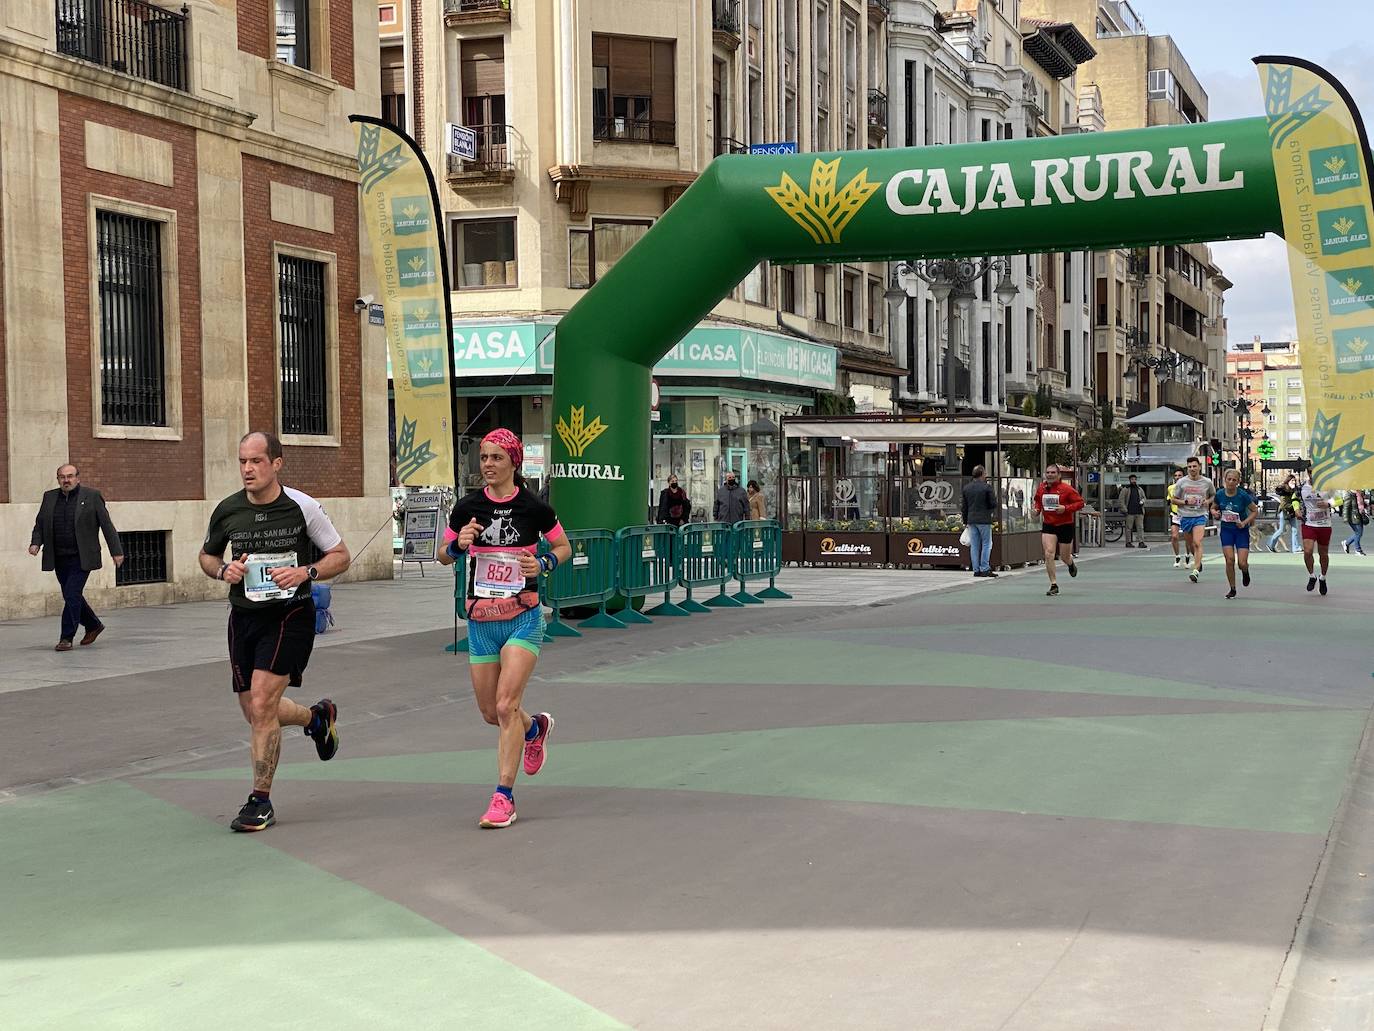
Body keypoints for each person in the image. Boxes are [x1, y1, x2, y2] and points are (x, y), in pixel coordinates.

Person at [200, 431, 351, 832]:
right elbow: (207, 555)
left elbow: (340, 555)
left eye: (256, 462)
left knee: (264, 704)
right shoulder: (228, 510)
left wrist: (306, 572)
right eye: (242, 462)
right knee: (253, 711)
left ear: (276, 463)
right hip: (244, 617)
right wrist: (221, 570)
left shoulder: (303, 507)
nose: (248, 469)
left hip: (290, 614)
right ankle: (316, 719)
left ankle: (259, 801)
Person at [438, 429, 572, 829]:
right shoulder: (467, 507)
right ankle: (535, 728)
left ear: (514, 461)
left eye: (497, 457)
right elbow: (443, 556)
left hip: (523, 617)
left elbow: (564, 547)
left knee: (504, 704)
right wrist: (459, 544)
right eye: (484, 457)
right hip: (481, 622)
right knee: (489, 712)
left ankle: (504, 797)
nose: (488, 465)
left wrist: (543, 564)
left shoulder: (534, 507)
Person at [28, 464, 124, 651]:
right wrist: (35, 543)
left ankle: (66, 637)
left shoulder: (92, 496)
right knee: (71, 595)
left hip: (82, 556)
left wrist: (116, 551)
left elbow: (106, 525)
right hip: (58, 556)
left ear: (77, 478)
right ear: (58, 479)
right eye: (62, 477)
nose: (66, 480)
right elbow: (40, 523)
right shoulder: (49, 497)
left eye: (70, 476)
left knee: (71, 594)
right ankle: (93, 625)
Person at [1032, 464, 1084, 597]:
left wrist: (1065, 508)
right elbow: (1037, 500)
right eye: (1048, 472)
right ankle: (1053, 584)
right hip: (1049, 524)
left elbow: (1080, 503)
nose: (1050, 475)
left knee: (1064, 556)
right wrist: (1037, 510)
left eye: (1053, 472)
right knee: (1049, 553)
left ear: (1058, 475)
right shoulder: (1042, 488)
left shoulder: (1066, 489)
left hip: (1065, 524)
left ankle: (1070, 563)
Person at [1211, 468, 1258, 599]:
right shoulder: (1220, 494)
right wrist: (1214, 512)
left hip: (1241, 531)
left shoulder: (1242, 495)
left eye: (1234, 480)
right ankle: (1232, 588)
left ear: (1238, 482)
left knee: (1242, 563)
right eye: (1229, 479)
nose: (1231, 482)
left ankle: (1245, 571)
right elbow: (1213, 507)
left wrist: (1244, 522)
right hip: (1226, 530)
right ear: (1225, 480)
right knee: (1230, 560)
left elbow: (1254, 511)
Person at [1171, 456, 1215, 584]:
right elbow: (1174, 499)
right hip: (1185, 516)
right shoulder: (1181, 482)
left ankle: (1195, 571)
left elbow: (1213, 495)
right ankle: (1198, 561)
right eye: (1189, 467)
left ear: (1199, 467)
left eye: (1194, 466)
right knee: (1190, 545)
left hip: (1200, 515)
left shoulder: (1206, 482)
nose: (1192, 469)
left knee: (1197, 542)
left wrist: (1207, 501)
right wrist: (1185, 501)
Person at [1299, 477, 1336, 595]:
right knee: (1308, 551)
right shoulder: (1302, 486)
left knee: (1323, 554)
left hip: (1325, 524)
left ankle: (1322, 578)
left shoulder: (1328, 485)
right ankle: (1312, 576)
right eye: (1310, 472)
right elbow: (1295, 498)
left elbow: (1339, 499)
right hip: (1308, 523)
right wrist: (1296, 509)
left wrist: (1328, 503)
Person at [961, 465, 999, 578]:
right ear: (982, 474)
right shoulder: (987, 488)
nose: (986, 475)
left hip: (971, 519)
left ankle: (976, 569)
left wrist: (965, 520)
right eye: (985, 473)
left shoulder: (967, 488)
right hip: (984, 520)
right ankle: (985, 568)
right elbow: (993, 503)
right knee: (987, 543)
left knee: (974, 545)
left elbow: (964, 506)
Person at [1267, 474, 1300, 553]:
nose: (1294, 482)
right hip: (1284, 511)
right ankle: (1270, 544)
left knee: (1295, 530)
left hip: (1292, 512)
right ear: (1288, 481)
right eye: (1292, 480)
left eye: (1295, 480)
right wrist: (1293, 506)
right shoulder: (1284, 490)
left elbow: (1297, 499)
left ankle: (1295, 548)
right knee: (1281, 530)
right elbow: (1284, 503)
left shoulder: (1295, 490)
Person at [1119, 474, 1147, 549]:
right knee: (1128, 528)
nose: (1133, 481)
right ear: (1129, 480)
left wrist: (1143, 501)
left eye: (1134, 479)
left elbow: (1144, 498)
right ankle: (1128, 542)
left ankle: (1141, 542)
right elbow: (1121, 500)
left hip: (1139, 511)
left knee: (1140, 527)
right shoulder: (1125, 489)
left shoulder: (1139, 489)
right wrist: (1125, 510)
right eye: (1132, 479)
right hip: (1129, 512)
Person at [1167, 468, 1185, 567]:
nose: (1177, 477)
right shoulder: (1170, 488)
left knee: (1188, 538)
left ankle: (1187, 555)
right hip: (1175, 514)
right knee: (1174, 536)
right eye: (1176, 476)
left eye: (1180, 475)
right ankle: (1177, 556)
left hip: (1186, 514)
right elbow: (1169, 501)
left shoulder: (1187, 487)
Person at [1341, 488, 1367, 555]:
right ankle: (1358, 550)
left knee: (1358, 533)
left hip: (1360, 515)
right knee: (1358, 533)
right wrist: (1345, 518)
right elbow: (1346, 508)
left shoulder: (1359, 493)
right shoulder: (1349, 494)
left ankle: (1346, 543)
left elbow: (1362, 505)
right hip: (1353, 517)